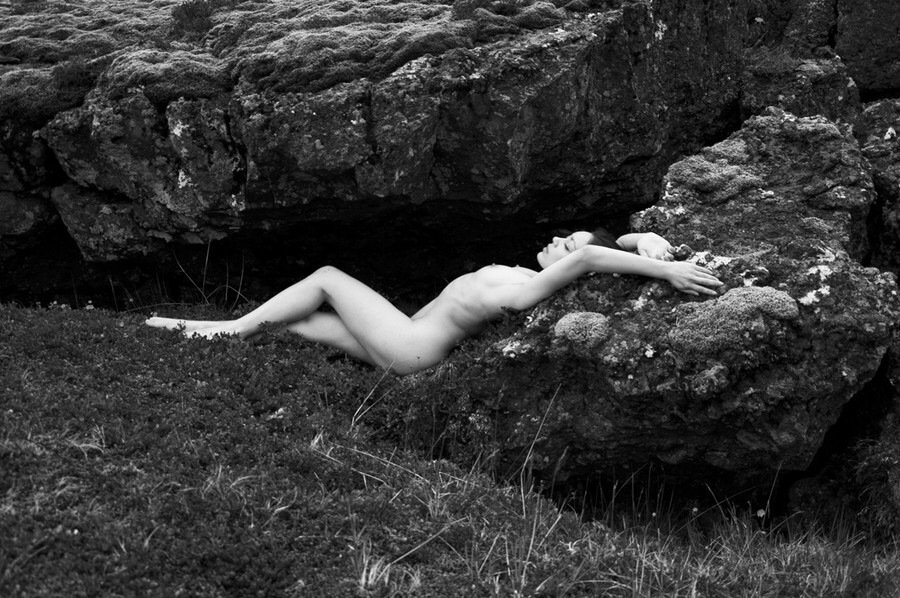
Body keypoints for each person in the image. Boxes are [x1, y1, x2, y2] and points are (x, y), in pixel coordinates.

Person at [145, 229, 722, 375]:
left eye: (565, 243)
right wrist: (645, 238)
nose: (557, 241)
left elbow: (594, 255)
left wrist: (667, 269)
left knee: (326, 277)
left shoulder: (532, 288)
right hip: (408, 337)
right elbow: (606, 246)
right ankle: (195, 336)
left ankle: (225, 329)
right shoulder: (528, 276)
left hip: (412, 348)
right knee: (299, 321)